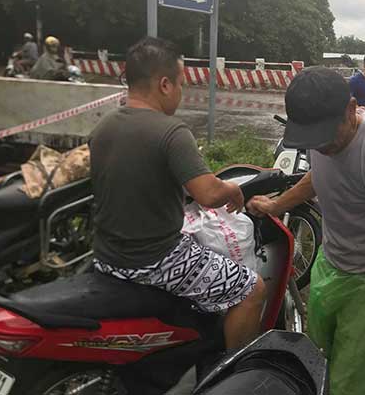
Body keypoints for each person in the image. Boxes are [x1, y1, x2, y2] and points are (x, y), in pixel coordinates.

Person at [247, 67, 365, 395]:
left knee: (353, 386)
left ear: (350, 109)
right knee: (317, 366)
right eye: (312, 141)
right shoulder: (322, 140)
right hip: (330, 269)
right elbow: (316, 176)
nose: (321, 148)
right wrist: (277, 206)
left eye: (325, 138)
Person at [89, 37, 265, 350]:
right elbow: (209, 194)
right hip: (155, 259)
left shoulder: (104, 127)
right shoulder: (170, 131)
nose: (183, 92)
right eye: (182, 83)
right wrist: (233, 188)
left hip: (106, 256)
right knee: (253, 289)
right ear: (165, 84)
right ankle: (231, 373)